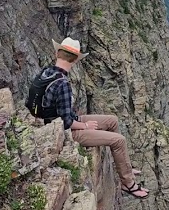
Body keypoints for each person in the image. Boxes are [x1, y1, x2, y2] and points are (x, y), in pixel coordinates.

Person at [25, 37, 148, 198]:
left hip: (53, 120)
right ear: (75, 60)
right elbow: (66, 122)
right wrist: (85, 126)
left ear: (57, 53)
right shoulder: (62, 84)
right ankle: (128, 184)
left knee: (112, 121)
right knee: (119, 140)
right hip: (64, 131)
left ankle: (124, 167)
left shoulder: (46, 72)